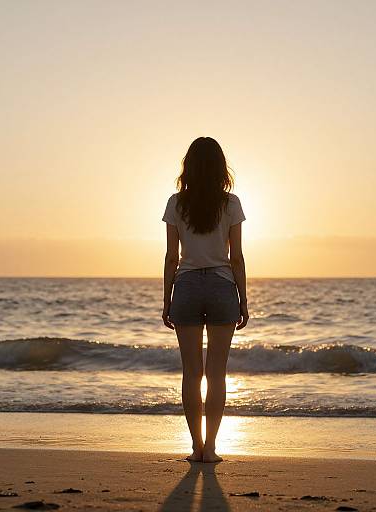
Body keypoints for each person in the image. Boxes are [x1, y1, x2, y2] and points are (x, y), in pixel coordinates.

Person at [161, 136, 249, 463]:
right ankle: (211, 447)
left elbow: (172, 256)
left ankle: (195, 446)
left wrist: (166, 299)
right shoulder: (231, 203)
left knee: (190, 373)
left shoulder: (176, 202)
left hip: (185, 285)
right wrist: (243, 299)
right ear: (219, 167)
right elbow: (237, 257)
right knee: (217, 374)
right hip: (222, 284)